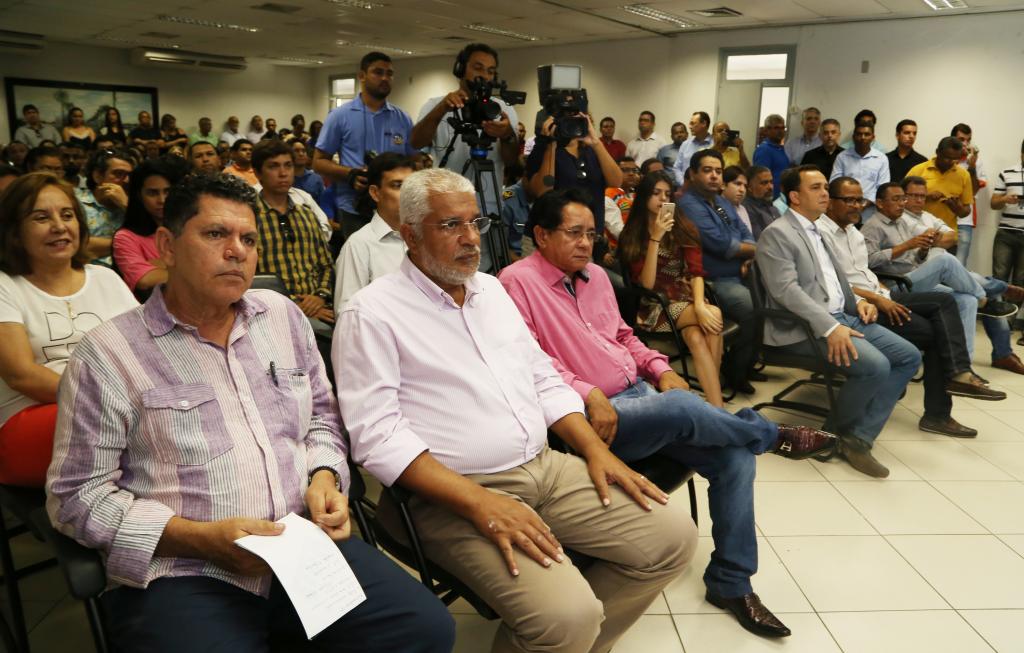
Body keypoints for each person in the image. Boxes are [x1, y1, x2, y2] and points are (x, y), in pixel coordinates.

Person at [46, 172, 455, 653]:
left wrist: (325, 477)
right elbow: (76, 497)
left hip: (299, 547)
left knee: (424, 628)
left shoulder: (281, 317)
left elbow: (321, 419)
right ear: (167, 246)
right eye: (216, 234)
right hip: (184, 570)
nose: (237, 251)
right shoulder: (109, 353)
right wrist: (195, 538)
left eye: (249, 239)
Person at [337, 167, 696, 653]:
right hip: (455, 493)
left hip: (544, 466)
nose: (471, 238)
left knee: (673, 538)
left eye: (475, 222)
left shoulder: (490, 290)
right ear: (410, 235)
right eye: (451, 225)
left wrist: (596, 451)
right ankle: (565, 638)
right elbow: (377, 438)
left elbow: (542, 377)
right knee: (568, 616)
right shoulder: (372, 313)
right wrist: (480, 503)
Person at [499, 187, 836, 639]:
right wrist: (587, 391)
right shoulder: (514, 283)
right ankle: (771, 435)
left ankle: (731, 583)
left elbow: (623, 336)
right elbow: (530, 362)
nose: (585, 243)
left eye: (591, 234)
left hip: (640, 397)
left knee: (734, 457)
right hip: (588, 419)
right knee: (683, 406)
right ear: (541, 235)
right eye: (573, 233)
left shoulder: (595, 276)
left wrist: (661, 369)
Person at [756, 165, 922, 478]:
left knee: (908, 356)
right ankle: (833, 437)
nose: (825, 193)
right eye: (816, 188)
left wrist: (860, 302)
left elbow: (837, 281)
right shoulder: (777, 233)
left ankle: (856, 437)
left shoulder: (819, 230)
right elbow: (786, 291)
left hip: (842, 316)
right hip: (803, 327)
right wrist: (831, 327)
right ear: (794, 197)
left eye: (824, 187)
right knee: (876, 366)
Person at [819, 177, 1004, 438]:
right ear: (830, 203)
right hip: (858, 306)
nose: (857, 206)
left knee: (951, 302)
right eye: (849, 200)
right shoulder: (822, 234)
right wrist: (878, 298)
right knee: (941, 318)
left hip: (882, 293)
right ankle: (946, 398)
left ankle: (957, 377)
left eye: (859, 200)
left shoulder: (853, 233)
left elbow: (865, 273)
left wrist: (883, 292)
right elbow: (836, 284)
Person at [0, 172, 137, 489]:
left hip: (115, 414)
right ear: (14, 230)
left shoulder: (105, 278)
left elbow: (146, 351)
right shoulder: (5, 285)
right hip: (32, 419)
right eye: (41, 218)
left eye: (67, 215)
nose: (59, 226)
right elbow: (21, 375)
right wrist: (108, 402)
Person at [861, 181, 1024, 374]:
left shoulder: (903, 222)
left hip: (914, 277)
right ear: (880, 203)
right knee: (945, 260)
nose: (901, 204)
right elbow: (868, 261)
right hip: (894, 287)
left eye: (902, 199)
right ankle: (986, 300)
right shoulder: (872, 226)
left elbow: (917, 257)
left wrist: (922, 250)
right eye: (896, 199)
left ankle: (963, 368)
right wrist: (907, 245)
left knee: (967, 300)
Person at [617, 171, 725, 405]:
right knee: (715, 314)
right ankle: (717, 406)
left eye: (667, 194)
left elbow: (696, 272)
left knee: (696, 337)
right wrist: (655, 238)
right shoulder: (633, 234)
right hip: (655, 306)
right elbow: (646, 284)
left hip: (687, 299)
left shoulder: (683, 227)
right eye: (656, 193)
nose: (662, 199)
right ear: (644, 196)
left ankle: (713, 404)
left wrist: (699, 304)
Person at [411, 43, 518, 274]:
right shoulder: (436, 105)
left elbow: (511, 161)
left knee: (491, 273)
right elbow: (416, 141)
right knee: (449, 268)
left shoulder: (502, 109)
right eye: (478, 68)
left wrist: (507, 134)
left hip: (490, 209)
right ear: (460, 69)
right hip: (447, 206)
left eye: (490, 71)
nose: (484, 76)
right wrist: (442, 109)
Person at [679, 150, 759, 394]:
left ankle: (746, 363)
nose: (714, 176)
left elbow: (745, 233)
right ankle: (735, 371)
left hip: (740, 272)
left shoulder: (721, 200)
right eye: (707, 170)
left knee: (770, 296)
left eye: (718, 171)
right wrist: (752, 251)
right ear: (693, 174)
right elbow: (722, 245)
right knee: (751, 308)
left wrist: (750, 253)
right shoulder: (688, 204)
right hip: (713, 280)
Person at [315, 51, 415, 239]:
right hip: (355, 208)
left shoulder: (402, 118)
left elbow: (414, 160)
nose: (385, 78)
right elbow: (318, 162)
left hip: (395, 209)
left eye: (389, 74)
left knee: (395, 257)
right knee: (359, 256)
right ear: (362, 76)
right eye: (378, 72)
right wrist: (350, 174)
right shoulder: (340, 116)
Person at [253, 140, 335, 330]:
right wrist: (295, 305)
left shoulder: (306, 214)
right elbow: (250, 276)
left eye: (288, 165)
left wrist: (320, 296)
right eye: (273, 166)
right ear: (258, 173)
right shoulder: (249, 217)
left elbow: (326, 264)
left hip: (317, 305)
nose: (283, 173)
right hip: (269, 310)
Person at [333, 153, 412, 313]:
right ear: (375, 193)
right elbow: (347, 313)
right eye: (397, 185)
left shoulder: (427, 237)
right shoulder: (359, 245)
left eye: (412, 186)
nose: (408, 194)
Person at [526, 112, 622, 243]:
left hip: (590, 236)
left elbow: (616, 181)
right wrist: (551, 143)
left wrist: (596, 143)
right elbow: (542, 191)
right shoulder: (544, 148)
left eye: (577, 119)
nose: (571, 124)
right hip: (555, 237)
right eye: (567, 120)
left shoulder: (593, 151)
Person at [113, 156, 189, 296]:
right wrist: (191, 267)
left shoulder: (190, 226)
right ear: (139, 196)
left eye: (168, 191)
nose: (162, 200)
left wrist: (160, 264)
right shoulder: (125, 237)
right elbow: (145, 280)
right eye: (152, 193)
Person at [905, 137, 974, 233]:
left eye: (955, 159)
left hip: (947, 234)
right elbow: (901, 199)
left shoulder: (964, 175)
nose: (951, 162)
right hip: (917, 232)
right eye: (947, 157)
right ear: (937, 152)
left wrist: (958, 209)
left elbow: (966, 211)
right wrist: (926, 197)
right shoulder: (918, 170)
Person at [75, 149, 132, 265]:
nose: (127, 180)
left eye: (129, 175)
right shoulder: (76, 202)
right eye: (118, 174)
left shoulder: (131, 205)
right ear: (97, 176)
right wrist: (128, 245)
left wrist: (126, 205)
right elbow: (78, 245)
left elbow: (148, 241)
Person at [991, 138, 1024, 337]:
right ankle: (997, 320)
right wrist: (1005, 199)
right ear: (1021, 153)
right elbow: (993, 203)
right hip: (1006, 233)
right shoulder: (1007, 173)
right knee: (999, 277)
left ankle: (1008, 324)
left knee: (1021, 281)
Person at [829, 121, 889, 219]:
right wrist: (851, 203)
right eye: (859, 134)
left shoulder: (881, 158)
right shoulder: (842, 157)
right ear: (853, 137)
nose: (863, 137)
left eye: (867, 134)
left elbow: (883, 188)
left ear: (873, 137)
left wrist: (864, 204)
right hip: (845, 210)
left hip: (870, 213)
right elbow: (835, 184)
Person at [951, 123, 987, 266]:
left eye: (968, 140)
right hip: (941, 217)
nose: (965, 144)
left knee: (959, 265)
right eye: (961, 139)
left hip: (964, 220)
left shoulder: (976, 162)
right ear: (952, 140)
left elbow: (973, 191)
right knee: (937, 261)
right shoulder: (942, 159)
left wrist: (972, 167)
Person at [752, 114, 788, 198]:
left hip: (781, 198)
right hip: (769, 198)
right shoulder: (764, 150)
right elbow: (761, 179)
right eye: (776, 128)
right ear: (766, 130)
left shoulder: (781, 149)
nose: (780, 131)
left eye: (783, 128)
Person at [673, 111, 714, 185]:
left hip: (707, 188)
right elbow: (677, 168)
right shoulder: (685, 144)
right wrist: (683, 183)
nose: (689, 126)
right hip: (686, 188)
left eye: (692, 123)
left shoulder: (714, 144)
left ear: (704, 123)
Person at [742, 165, 780, 240]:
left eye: (771, 182)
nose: (770, 187)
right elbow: (761, 241)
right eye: (764, 183)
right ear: (749, 187)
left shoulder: (773, 208)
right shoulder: (747, 210)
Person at [886, 119, 927, 184]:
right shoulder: (885, 158)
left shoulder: (922, 161)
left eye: (914, 133)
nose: (911, 136)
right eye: (907, 133)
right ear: (897, 135)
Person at [723, 165, 752, 234]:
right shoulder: (714, 208)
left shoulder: (742, 209)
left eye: (745, 186)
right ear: (723, 185)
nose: (742, 190)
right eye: (738, 184)